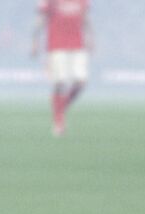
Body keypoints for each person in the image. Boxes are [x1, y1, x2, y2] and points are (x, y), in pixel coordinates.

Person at [32, 0, 91, 136]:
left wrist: (90, 37)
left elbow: (85, 18)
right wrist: (35, 40)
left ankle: (60, 108)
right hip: (57, 45)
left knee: (81, 82)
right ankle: (59, 121)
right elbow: (41, 20)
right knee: (60, 83)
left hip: (77, 44)